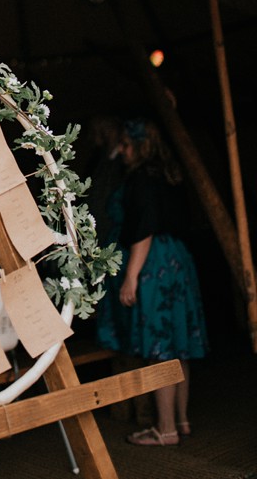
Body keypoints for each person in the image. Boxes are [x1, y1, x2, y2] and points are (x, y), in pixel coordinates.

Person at [96, 118, 207, 447]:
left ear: (140, 145)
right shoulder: (169, 173)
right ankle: (182, 421)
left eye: (127, 145)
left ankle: (165, 429)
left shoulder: (142, 178)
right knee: (179, 346)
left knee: (160, 349)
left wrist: (130, 277)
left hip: (154, 262)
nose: (123, 150)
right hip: (178, 258)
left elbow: (144, 228)